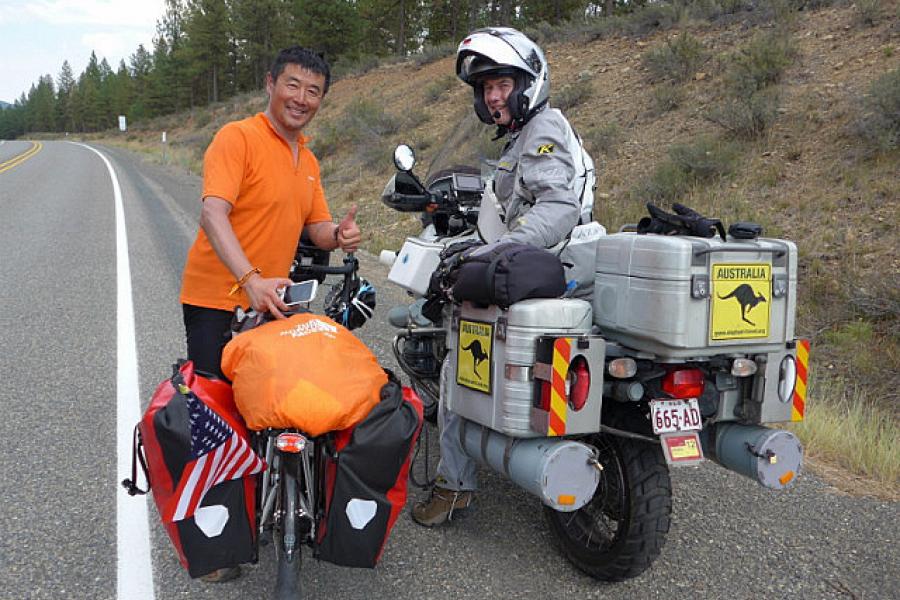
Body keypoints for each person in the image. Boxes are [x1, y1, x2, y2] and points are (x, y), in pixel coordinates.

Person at [179, 46, 360, 581]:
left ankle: (272, 501)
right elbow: (214, 212)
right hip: (218, 295)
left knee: (272, 403)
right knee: (216, 419)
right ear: (270, 84)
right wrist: (248, 280)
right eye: (293, 85)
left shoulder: (307, 159)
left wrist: (340, 235)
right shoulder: (238, 138)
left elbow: (316, 228)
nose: (301, 99)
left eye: (313, 91)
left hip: (272, 297)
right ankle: (211, 548)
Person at [412, 27, 595, 527]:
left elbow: (557, 208)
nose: (493, 96)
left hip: (550, 271)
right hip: (554, 268)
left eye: (502, 84)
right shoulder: (524, 136)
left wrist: (493, 250)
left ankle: (454, 486)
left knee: (455, 369)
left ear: (527, 83)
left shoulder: (543, 130)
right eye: (486, 87)